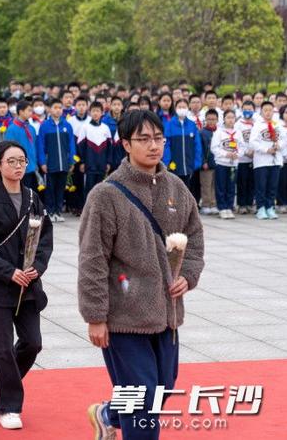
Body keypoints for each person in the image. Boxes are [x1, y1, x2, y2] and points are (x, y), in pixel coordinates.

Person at [79, 110, 205, 440]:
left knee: (160, 391)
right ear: (125, 144)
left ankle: (107, 414)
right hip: (124, 318)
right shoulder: (105, 195)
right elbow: (92, 259)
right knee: (144, 400)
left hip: (167, 315)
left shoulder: (176, 187)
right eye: (143, 139)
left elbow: (195, 236)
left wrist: (188, 275)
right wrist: (95, 316)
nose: (153, 146)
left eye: (158, 138)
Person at [0, 141, 53, 430]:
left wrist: (37, 268)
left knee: (33, 342)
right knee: (1, 349)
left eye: (22, 161)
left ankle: (5, 383)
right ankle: (8, 405)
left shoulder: (33, 198)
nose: (18, 167)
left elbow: (44, 238)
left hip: (28, 285)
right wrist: (9, 271)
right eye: (12, 161)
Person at [36, 98, 75, 222]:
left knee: (60, 187)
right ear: (50, 109)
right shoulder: (45, 126)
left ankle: (58, 211)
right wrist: (42, 162)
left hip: (64, 163)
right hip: (50, 163)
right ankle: (50, 211)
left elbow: (71, 145)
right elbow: (40, 145)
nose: (58, 110)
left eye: (60, 108)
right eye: (55, 107)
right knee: (50, 188)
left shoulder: (67, 126)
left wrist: (72, 161)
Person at [250, 101, 286, 220]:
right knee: (261, 186)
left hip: (275, 160)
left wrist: (278, 146)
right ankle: (261, 208)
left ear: (273, 111)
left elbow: (284, 139)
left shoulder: (278, 125)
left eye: (270, 110)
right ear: (261, 111)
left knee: (272, 185)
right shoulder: (257, 125)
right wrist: (266, 150)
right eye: (265, 110)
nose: (268, 113)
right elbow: (253, 142)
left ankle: (270, 207)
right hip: (261, 161)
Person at [211, 110, 244, 219]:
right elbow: (214, 148)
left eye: (232, 117)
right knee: (221, 186)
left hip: (233, 164)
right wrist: (226, 154)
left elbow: (242, 147)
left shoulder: (238, 132)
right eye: (228, 117)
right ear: (224, 119)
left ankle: (229, 207)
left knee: (231, 186)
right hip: (221, 163)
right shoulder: (219, 132)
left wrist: (237, 154)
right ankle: (222, 208)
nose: (230, 120)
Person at [162, 99, 202, 188]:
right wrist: (167, 162)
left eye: (184, 107)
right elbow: (166, 145)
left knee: (189, 189)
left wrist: (197, 162)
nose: (182, 109)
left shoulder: (192, 125)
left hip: (189, 165)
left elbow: (197, 145)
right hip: (174, 165)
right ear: (176, 108)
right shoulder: (169, 124)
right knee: (175, 189)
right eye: (180, 107)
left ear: (188, 108)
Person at [78, 101, 112, 202]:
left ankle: (100, 212)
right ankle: (88, 211)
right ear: (90, 112)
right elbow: (80, 147)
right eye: (93, 111)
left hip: (102, 165)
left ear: (102, 113)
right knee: (89, 189)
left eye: (98, 111)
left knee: (101, 190)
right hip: (89, 165)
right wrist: (82, 162)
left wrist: (108, 162)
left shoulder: (105, 128)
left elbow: (110, 148)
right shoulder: (85, 127)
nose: (95, 113)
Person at [4, 100, 38, 190]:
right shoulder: (12, 129)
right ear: (21, 111)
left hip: (32, 165)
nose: (31, 113)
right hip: (19, 167)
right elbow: (9, 149)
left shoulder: (31, 128)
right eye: (29, 110)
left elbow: (34, 146)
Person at [235, 101, 256, 214]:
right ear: (242, 110)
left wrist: (254, 151)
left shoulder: (256, 123)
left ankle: (249, 203)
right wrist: (246, 152)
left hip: (255, 158)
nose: (248, 111)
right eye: (245, 109)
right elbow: (238, 141)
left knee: (251, 182)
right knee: (242, 182)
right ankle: (241, 204)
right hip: (243, 158)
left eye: (250, 109)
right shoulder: (238, 124)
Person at [198, 109, 219, 215]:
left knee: (215, 185)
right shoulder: (202, 132)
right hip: (206, 164)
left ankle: (213, 204)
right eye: (209, 119)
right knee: (206, 184)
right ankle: (206, 204)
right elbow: (199, 149)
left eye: (213, 119)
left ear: (217, 120)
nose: (211, 121)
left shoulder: (219, 132)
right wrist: (203, 162)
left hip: (218, 163)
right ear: (205, 119)